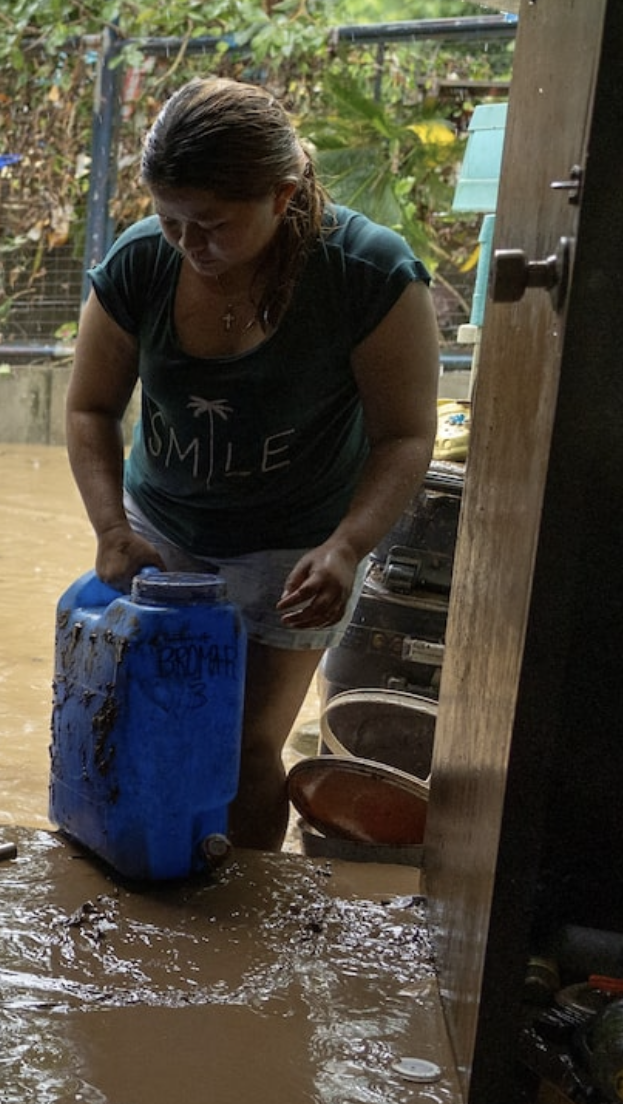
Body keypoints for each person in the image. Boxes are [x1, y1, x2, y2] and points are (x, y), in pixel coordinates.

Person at [65, 77, 439, 849]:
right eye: (170, 219)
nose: (187, 244)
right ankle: (150, 870)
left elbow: (404, 435)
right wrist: (110, 528)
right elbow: (89, 409)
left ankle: (241, 918)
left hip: (298, 546)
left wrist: (346, 548)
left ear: (284, 194)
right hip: (161, 533)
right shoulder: (141, 266)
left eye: (212, 224)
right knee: (144, 718)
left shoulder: (367, 274)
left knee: (245, 749)